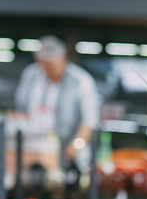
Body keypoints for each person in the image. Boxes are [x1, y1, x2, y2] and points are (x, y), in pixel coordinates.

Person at [12, 36, 100, 171]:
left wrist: (76, 146)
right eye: (44, 65)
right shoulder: (31, 75)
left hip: (71, 157)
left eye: (51, 66)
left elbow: (89, 121)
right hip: (35, 155)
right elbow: (21, 111)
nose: (48, 70)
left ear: (63, 59)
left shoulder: (81, 81)